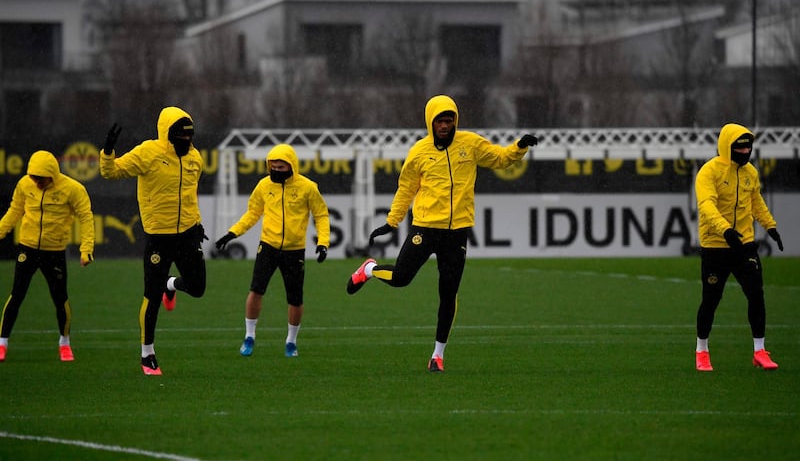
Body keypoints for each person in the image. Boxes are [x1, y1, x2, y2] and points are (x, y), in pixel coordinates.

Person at [346, 94, 538, 372]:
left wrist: (519, 147)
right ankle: (370, 269)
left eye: (449, 120)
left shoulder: (470, 143)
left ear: (455, 121)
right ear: (430, 122)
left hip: (456, 233)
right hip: (424, 228)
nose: (445, 125)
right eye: (440, 121)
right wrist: (392, 221)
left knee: (448, 293)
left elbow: (499, 158)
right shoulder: (419, 152)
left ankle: (437, 355)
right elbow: (406, 189)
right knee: (400, 278)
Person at [100, 106, 207, 376]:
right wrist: (108, 152)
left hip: (187, 233)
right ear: (167, 133)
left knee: (197, 287)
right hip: (159, 237)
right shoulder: (148, 152)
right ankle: (147, 354)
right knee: (151, 296)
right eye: (180, 135)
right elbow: (111, 172)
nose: (186, 140)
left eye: (189, 136)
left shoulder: (195, 157)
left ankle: (171, 284)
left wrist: (197, 223)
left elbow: (190, 195)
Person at [215, 143, 330, 358]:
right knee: (256, 290)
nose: (276, 171)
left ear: (292, 166)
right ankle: (249, 336)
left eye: (281, 167)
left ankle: (291, 341)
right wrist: (232, 233)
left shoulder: (308, 187)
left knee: (295, 299)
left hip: (295, 250)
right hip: (267, 247)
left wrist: (323, 242)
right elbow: (252, 213)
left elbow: (321, 215)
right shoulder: (263, 186)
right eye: (273, 167)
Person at [694, 122, 784, 372]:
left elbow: (756, 203)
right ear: (727, 147)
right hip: (715, 245)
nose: (745, 153)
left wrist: (770, 226)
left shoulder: (750, 174)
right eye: (740, 149)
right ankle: (702, 351)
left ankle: (760, 351)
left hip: (744, 245)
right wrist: (725, 230)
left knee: (756, 294)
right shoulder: (708, 172)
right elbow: (706, 205)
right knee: (711, 300)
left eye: (748, 149)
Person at [0, 150, 94, 362]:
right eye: (33, 177)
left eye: (40, 178)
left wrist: (86, 248)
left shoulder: (73, 189)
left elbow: (86, 218)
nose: (36, 182)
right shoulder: (25, 184)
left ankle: (64, 343)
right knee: (16, 295)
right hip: (28, 249)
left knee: (60, 300)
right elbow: (15, 210)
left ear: (51, 174)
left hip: (54, 253)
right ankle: (2, 343)